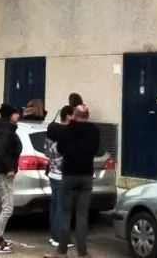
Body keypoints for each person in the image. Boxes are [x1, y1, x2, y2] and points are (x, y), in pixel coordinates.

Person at [46, 104, 99, 258]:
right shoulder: (94, 131)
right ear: (87, 117)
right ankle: (82, 252)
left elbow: (60, 148)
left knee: (65, 214)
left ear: (74, 116)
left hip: (69, 175)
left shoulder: (67, 130)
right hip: (86, 176)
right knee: (82, 215)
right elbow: (95, 149)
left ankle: (62, 251)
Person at [0, 103, 21, 254]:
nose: (18, 116)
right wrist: (9, 167)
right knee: (8, 208)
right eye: (15, 113)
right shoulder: (5, 131)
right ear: (10, 115)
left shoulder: (3, 129)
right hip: (3, 172)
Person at [45, 105, 75, 247]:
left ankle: (53, 235)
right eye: (73, 115)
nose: (74, 117)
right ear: (68, 116)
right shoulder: (67, 133)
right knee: (62, 207)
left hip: (52, 172)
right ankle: (59, 238)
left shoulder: (51, 131)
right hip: (63, 174)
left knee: (55, 204)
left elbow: (46, 151)